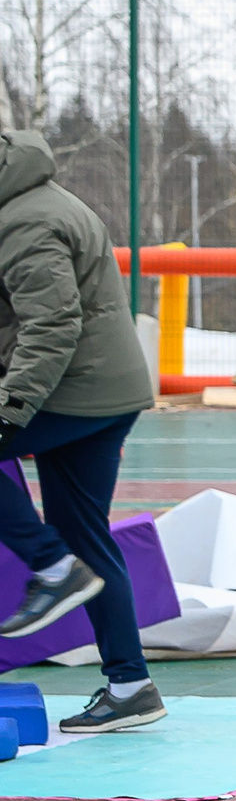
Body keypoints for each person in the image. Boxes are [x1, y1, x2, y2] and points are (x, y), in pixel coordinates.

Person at [0, 129, 165, 733]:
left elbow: (51, 326)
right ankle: (131, 687)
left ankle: (50, 567)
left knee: (71, 551)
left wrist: (8, 410)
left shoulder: (24, 221)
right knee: (86, 536)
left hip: (77, 392)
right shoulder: (32, 197)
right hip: (103, 394)